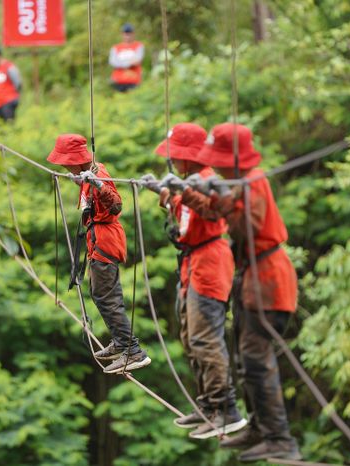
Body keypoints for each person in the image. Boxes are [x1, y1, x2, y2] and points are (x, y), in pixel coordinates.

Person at [173, 123, 302, 462]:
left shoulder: (253, 181)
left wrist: (225, 196)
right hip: (251, 278)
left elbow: (248, 227)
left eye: (218, 161)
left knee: (257, 360)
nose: (214, 166)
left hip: (269, 277)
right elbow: (216, 212)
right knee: (246, 359)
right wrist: (186, 192)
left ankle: (279, 439)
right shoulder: (235, 182)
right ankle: (260, 429)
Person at [144, 123, 246, 439]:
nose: (172, 160)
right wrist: (162, 193)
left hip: (210, 263)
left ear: (187, 157)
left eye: (176, 155)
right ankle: (208, 406)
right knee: (190, 337)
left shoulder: (205, 181)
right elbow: (185, 211)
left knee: (205, 338)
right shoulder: (189, 182)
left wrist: (182, 190)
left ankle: (226, 409)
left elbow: (212, 212)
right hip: (192, 264)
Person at [46, 134, 151, 374]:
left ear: (77, 159)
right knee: (100, 293)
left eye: (65, 162)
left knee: (107, 296)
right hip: (98, 239)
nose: (63, 166)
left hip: (105, 239)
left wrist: (97, 184)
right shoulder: (88, 173)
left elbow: (115, 205)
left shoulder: (97, 175)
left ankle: (131, 349)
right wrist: (82, 182)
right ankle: (120, 342)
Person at [0, 46, 21, 122]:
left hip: (9, 100)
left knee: (9, 123)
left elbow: (18, 83)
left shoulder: (9, 67)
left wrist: (15, 96)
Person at [108, 23, 144, 92]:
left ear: (133, 34)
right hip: (117, 81)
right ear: (122, 34)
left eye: (129, 33)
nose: (128, 36)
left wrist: (121, 63)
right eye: (126, 33)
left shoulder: (138, 46)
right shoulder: (116, 48)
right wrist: (128, 63)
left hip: (134, 81)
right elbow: (112, 62)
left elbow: (137, 61)